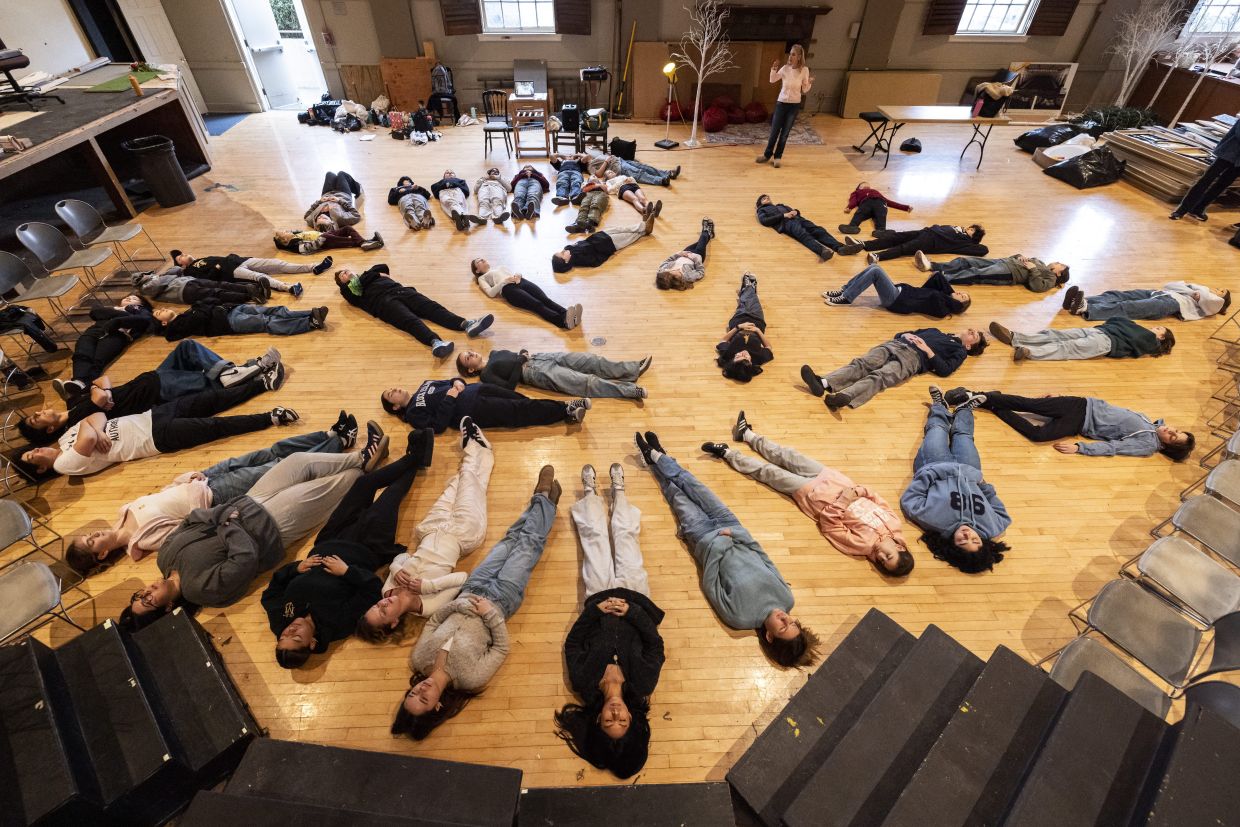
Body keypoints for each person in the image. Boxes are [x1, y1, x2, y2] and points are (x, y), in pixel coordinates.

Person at [393, 465, 561, 739]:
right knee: (529, 543)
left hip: (471, 589)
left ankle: (543, 503)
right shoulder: (470, 680)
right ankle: (542, 499)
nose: (421, 690)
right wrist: (489, 614)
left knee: (509, 540)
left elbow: (435, 620)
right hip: (501, 600)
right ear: (437, 706)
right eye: (423, 699)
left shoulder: (419, 659)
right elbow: (501, 649)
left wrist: (459, 604)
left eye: (413, 693)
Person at [71, 418, 361, 576]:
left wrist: (185, 478)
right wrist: (199, 493)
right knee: (278, 467)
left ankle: (329, 435)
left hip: (203, 478)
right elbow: (190, 526)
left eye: (87, 535)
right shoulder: (141, 541)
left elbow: (163, 495)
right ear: (102, 554)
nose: (93, 533)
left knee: (269, 453)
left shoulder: (122, 513)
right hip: (217, 496)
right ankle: (338, 443)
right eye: (92, 541)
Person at [635, 431, 819, 668]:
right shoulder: (786, 598)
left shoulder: (739, 618)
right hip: (732, 527)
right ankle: (657, 456)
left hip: (704, 538)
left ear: (770, 636)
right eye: (792, 623)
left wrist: (719, 545)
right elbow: (763, 557)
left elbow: (710, 581)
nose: (785, 618)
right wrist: (736, 534)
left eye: (783, 627)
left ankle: (657, 458)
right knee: (692, 483)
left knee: (675, 493)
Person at [264, 432, 434, 668]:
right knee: (389, 498)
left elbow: (271, 591)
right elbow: (372, 591)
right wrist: (346, 572)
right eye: (296, 638)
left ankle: (415, 458)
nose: (290, 630)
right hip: (366, 547)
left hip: (329, 539)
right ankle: (415, 458)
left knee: (364, 484)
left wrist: (296, 568)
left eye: (283, 637)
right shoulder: (339, 625)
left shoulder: (279, 619)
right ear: (312, 643)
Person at [702, 411, 914, 577]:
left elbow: (830, 527)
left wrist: (844, 500)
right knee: (788, 455)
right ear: (899, 547)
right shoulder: (895, 524)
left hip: (814, 496)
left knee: (768, 472)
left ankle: (727, 453)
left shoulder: (862, 546)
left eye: (883, 562)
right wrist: (859, 490)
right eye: (889, 556)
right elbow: (877, 498)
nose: (881, 557)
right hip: (833, 479)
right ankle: (747, 434)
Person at [555, 461, 664, 778]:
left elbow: (573, 642)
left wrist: (595, 611)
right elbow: (654, 644)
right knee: (625, 536)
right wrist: (631, 612)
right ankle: (618, 491)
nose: (616, 714)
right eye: (623, 721)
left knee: (594, 540)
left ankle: (589, 491)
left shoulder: (584, 683)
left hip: (599, 596)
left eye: (608, 721)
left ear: (597, 719)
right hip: (636, 598)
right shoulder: (642, 684)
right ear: (633, 719)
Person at [357, 418, 493, 643]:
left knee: (456, 482)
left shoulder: (387, 591)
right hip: (463, 533)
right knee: (469, 479)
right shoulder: (427, 607)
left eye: (375, 606)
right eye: (382, 612)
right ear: (393, 623)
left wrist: (395, 567)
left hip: (432, 527)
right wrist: (428, 586)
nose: (381, 604)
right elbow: (462, 578)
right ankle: (472, 445)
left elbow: (403, 556)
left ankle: (480, 450)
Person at [19, 340, 283, 446]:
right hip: (157, 394)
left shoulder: (73, 401)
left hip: (152, 377)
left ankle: (237, 372)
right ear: (48, 431)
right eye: (37, 419)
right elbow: (97, 427)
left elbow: (102, 378)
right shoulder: (76, 429)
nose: (40, 411)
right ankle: (249, 371)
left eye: (35, 413)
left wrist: (103, 390)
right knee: (209, 383)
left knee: (187, 348)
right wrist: (99, 402)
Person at [17, 381, 301, 478]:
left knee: (209, 399)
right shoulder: (65, 465)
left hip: (149, 416)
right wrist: (93, 429)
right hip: (153, 438)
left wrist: (96, 429)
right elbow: (91, 428)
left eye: (31, 450)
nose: (37, 451)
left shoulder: (66, 437)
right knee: (216, 426)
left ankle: (261, 384)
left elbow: (96, 416)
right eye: (33, 457)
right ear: (41, 469)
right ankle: (271, 418)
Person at [900, 389, 1011, 574]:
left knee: (937, 430)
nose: (967, 535)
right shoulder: (994, 527)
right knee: (963, 436)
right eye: (974, 540)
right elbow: (1002, 514)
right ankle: (964, 409)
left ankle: (939, 406)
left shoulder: (934, 523)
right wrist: (984, 485)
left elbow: (910, 499)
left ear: (952, 544)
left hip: (935, 464)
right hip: (970, 469)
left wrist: (930, 474)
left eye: (962, 541)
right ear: (983, 542)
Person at [943, 387, 1195, 461]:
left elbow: (1114, 448)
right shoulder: (1150, 422)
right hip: (1080, 404)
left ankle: (991, 402)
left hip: (1079, 423)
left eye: (1173, 437)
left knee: (1038, 435)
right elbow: (1108, 407)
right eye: (1176, 429)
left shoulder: (1147, 445)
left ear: (1168, 446)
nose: (1171, 430)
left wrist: (1080, 448)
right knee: (1030, 403)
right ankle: (976, 396)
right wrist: (1061, 396)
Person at [801, 326, 986, 409]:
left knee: (880, 377)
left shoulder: (959, 351)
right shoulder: (936, 331)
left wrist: (927, 349)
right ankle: (823, 382)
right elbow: (905, 332)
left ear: (969, 346)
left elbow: (945, 370)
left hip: (914, 359)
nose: (972, 331)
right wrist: (904, 334)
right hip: (896, 344)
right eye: (973, 330)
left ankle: (845, 397)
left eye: (974, 335)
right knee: (862, 363)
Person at [335, 264, 494, 358]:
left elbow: (383, 266)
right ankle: (435, 342)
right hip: (384, 303)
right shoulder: (349, 291)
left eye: (346, 270)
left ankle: (466, 324)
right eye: (342, 274)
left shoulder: (367, 274)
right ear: (341, 282)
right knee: (410, 321)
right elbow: (353, 289)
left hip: (401, 291)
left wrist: (371, 275)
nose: (346, 272)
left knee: (433, 308)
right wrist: (374, 275)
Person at [52, 295, 161, 400]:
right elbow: (94, 312)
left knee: (98, 360)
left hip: (117, 334)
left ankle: (79, 387)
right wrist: (123, 315)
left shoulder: (139, 310)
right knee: (81, 354)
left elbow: (144, 320)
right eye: (128, 297)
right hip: (94, 331)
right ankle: (78, 383)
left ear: (140, 305)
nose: (129, 298)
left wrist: (116, 319)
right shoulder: (114, 308)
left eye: (134, 298)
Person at [381, 380, 589, 433]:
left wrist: (458, 381)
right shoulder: (413, 414)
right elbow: (438, 426)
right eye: (391, 394)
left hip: (478, 389)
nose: (395, 389)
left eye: (393, 388)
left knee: (521, 402)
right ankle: (566, 409)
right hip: (473, 409)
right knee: (519, 412)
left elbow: (451, 379)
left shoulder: (424, 384)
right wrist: (450, 398)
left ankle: (565, 412)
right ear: (396, 407)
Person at [456, 348, 651, 400]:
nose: (471, 353)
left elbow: (518, 354)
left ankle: (632, 369)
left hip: (541, 357)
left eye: (469, 351)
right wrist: (520, 361)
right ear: (470, 369)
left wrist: (523, 354)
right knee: (586, 382)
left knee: (591, 360)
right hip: (534, 373)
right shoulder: (485, 377)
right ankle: (629, 391)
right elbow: (509, 387)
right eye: (468, 358)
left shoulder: (493, 353)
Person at [987, 319, 1174, 362]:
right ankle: (1015, 337)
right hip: (1099, 330)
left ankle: (1029, 352)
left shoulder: (1151, 342)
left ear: (1161, 338)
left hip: (1106, 343)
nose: (1154, 328)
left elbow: (1123, 324)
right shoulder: (1140, 331)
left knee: (1066, 347)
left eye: (1159, 330)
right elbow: (1119, 320)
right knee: (1055, 334)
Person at [469, 258, 582, 330]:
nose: (482, 259)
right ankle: (563, 322)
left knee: (545, 299)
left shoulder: (500, 267)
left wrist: (518, 274)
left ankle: (568, 314)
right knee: (537, 304)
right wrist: (504, 282)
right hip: (508, 290)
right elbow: (490, 293)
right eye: (478, 261)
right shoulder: (482, 278)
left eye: (482, 259)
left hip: (520, 281)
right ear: (477, 270)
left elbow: (513, 273)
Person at [824, 264, 970, 318]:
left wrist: (950, 297)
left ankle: (847, 298)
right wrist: (951, 292)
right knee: (875, 267)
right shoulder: (943, 296)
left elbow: (939, 295)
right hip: (897, 292)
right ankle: (844, 291)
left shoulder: (942, 308)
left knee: (875, 271)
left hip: (896, 301)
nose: (959, 293)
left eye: (962, 297)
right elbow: (937, 276)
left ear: (958, 305)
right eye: (962, 293)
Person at [755, 195, 862, 261]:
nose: (767, 198)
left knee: (819, 230)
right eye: (764, 198)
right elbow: (764, 221)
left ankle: (840, 248)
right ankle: (822, 251)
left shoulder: (780, 205)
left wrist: (795, 211)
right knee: (804, 235)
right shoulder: (762, 210)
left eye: (768, 197)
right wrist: (784, 215)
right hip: (786, 223)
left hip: (798, 218)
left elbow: (794, 210)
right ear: (760, 203)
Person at [169, 250, 323, 296]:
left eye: (182, 254)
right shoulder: (191, 270)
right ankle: (288, 288)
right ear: (181, 265)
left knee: (278, 264)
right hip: (232, 271)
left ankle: (313, 266)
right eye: (180, 257)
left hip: (241, 260)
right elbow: (209, 279)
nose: (183, 255)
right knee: (260, 278)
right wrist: (216, 268)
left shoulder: (202, 257)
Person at [1170, 119, 1239, 221]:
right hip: (1228, 153)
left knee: (1222, 185)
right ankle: (1181, 210)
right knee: (1206, 180)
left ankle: (1198, 209)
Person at [756, 44, 812, 168]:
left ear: (799, 56)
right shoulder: (785, 68)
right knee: (774, 131)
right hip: (781, 104)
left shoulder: (804, 70)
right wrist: (774, 68)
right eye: (790, 53)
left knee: (785, 133)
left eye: (793, 54)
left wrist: (809, 83)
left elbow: (805, 89)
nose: (790, 56)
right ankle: (767, 155)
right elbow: (772, 80)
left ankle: (777, 157)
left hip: (794, 106)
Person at [155, 302, 328, 340]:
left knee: (275, 310)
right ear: (163, 323)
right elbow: (202, 314)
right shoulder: (178, 326)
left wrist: (204, 307)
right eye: (159, 313)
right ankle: (309, 323)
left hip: (233, 309)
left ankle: (311, 313)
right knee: (267, 321)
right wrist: (202, 307)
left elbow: (206, 304)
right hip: (230, 323)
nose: (163, 309)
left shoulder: (188, 312)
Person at [1063, 282, 1231, 321]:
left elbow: (1209, 300)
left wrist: (1196, 290)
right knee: (1118, 295)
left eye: (1222, 291)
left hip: (1172, 304)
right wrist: (1194, 290)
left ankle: (1085, 309)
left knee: (1128, 307)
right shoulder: (1198, 288)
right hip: (1160, 293)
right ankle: (1081, 301)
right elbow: (1171, 284)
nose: (1218, 289)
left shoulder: (1216, 302)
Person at [717, 272, 773, 383]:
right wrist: (757, 330)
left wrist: (738, 327)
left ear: (733, 360)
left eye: (739, 357)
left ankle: (749, 286)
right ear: (751, 363)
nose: (744, 354)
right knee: (752, 301)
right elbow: (769, 348)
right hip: (757, 320)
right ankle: (749, 287)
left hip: (738, 320)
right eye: (746, 357)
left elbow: (723, 340)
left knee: (744, 303)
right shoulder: (759, 358)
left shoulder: (727, 355)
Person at [551, 214, 656, 273]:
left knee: (623, 229)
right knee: (627, 236)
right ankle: (644, 229)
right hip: (608, 244)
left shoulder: (568, 248)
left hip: (599, 236)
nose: (563, 251)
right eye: (562, 254)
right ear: (566, 261)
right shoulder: (579, 260)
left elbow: (580, 243)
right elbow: (595, 262)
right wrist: (608, 253)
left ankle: (643, 226)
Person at [919, 253, 1068, 293]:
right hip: (1004, 262)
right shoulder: (1040, 262)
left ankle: (943, 278)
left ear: (1059, 274)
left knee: (976, 273)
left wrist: (1032, 269)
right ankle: (932, 265)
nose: (1057, 262)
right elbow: (1017, 257)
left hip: (1009, 272)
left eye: (1060, 264)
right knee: (967, 261)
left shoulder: (1050, 279)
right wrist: (1019, 256)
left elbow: (1037, 287)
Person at [849, 224, 988, 264]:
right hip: (925, 232)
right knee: (896, 237)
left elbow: (983, 250)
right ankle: (864, 244)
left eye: (973, 231)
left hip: (931, 242)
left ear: (974, 237)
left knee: (905, 248)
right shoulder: (959, 229)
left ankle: (878, 256)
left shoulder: (965, 242)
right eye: (971, 228)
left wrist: (972, 240)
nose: (970, 229)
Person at [132, 268, 267, 306]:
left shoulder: (156, 278)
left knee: (219, 284)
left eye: (144, 274)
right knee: (217, 293)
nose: (145, 275)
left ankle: (251, 288)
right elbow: (157, 284)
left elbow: (177, 269)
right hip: (184, 292)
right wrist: (160, 277)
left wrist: (163, 276)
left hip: (189, 281)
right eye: (142, 276)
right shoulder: (144, 289)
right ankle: (249, 296)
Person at [657, 218, 714, 290]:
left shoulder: (665, 270)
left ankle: (709, 233)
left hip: (685, 252)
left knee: (702, 241)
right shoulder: (688, 277)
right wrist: (696, 259)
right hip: (697, 255)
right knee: (702, 239)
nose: (677, 270)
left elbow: (667, 261)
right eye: (678, 273)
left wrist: (679, 254)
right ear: (679, 278)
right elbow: (701, 272)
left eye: (673, 271)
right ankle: (705, 229)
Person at [839, 182, 912, 236]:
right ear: (858, 188)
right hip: (867, 202)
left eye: (868, 185)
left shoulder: (875, 192)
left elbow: (889, 202)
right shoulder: (857, 192)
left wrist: (905, 207)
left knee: (881, 215)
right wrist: (849, 207)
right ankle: (852, 226)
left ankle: (881, 231)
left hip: (880, 203)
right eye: (864, 184)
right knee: (860, 213)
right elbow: (853, 200)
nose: (867, 185)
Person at [584, 148, 678, 187]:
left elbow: (581, 155)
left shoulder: (593, 159)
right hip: (618, 167)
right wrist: (606, 161)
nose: (584, 154)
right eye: (582, 156)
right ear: (583, 161)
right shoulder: (590, 166)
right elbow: (598, 174)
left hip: (620, 160)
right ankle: (661, 180)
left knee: (644, 167)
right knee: (639, 173)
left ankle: (668, 173)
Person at [273, 227, 383, 253]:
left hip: (324, 234)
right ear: (285, 239)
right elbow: (308, 248)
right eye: (285, 232)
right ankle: (366, 242)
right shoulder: (293, 244)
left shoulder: (295, 234)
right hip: (324, 242)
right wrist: (322, 238)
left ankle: (363, 242)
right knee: (342, 240)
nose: (287, 231)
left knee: (347, 228)